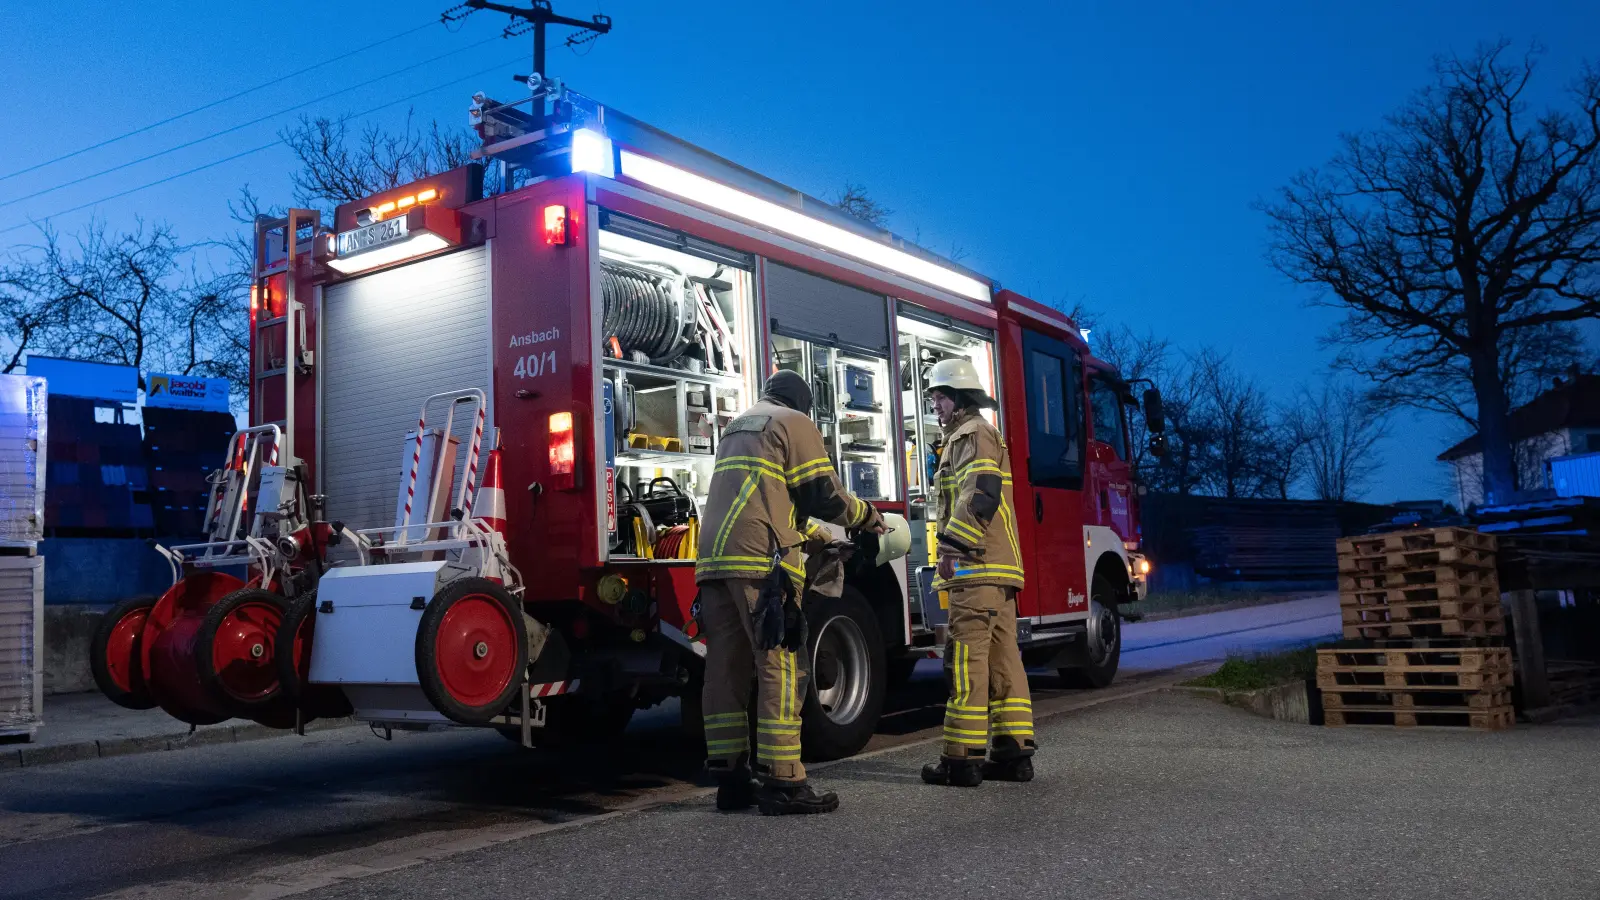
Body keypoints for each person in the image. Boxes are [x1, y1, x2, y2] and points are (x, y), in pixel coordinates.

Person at [696, 368, 886, 815]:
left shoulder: (739, 425)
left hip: (714, 560)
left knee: (726, 665)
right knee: (780, 663)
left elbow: (769, 496)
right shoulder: (792, 422)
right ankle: (784, 781)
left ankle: (730, 778)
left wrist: (809, 536)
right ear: (802, 404)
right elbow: (824, 495)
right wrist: (867, 515)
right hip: (760, 559)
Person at [919, 358, 1036, 787]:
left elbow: (980, 493)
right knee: (1006, 662)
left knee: (967, 660)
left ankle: (961, 758)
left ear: (959, 399)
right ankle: (1013, 753)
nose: (935, 405)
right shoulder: (977, 434)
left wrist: (953, 544)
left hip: (976, 568)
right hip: (997, 571)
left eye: (940, 397)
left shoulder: (970, 435)